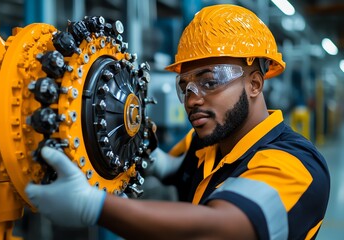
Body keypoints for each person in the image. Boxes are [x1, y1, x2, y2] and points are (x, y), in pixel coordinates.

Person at [25, 4, 330, 240]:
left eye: (210, 82)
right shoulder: (207, 141)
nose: (193, 99)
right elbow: (171, 167)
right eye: (185, 87)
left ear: (254, 84)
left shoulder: (295, 164)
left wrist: (93, 207)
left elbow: (218, 230)